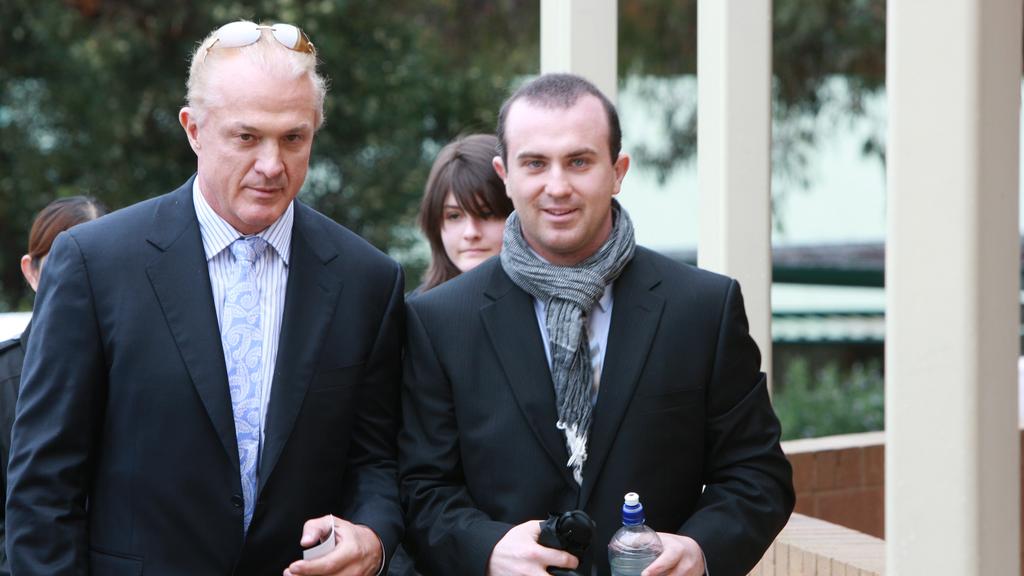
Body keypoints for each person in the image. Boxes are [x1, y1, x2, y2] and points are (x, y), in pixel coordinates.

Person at [7, 21, 404, 575]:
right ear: (194, 130)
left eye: (294, 138)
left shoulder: (369, 280)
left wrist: (374, 538)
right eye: (247, 137)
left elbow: (375, 463)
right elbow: (43, 490)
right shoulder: (95, 264)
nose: (272, 165)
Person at [399, 73, 794, 576]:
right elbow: (421, 488)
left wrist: (700, 550)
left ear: (618, 170)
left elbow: (757, 476)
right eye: (535, 163)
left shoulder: (703, 307)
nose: (557, 186)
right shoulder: (438, 320)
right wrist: (488, 549)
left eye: (579, 162)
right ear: (505, 174)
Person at [0, 196, 106, 576]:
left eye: (93, 266)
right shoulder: (5, 376)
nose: (79, 280)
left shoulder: (143, 370)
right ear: (30, 271)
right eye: (62, 265)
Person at [416, 134, 513, 293]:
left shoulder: (547, 308)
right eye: (454, 216)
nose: (471, 233)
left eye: (487, 214)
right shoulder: (412, 314)